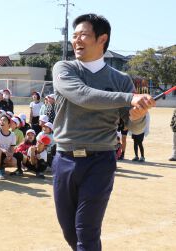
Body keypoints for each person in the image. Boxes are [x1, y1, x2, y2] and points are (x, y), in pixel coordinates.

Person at [51, 13, 155, 250]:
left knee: (86, 232)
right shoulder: (64, 68)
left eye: (84, 35)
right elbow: (83, 95)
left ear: (102, 39)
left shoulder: (120, 79)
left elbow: (133, 125)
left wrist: (138, 116)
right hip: (64, 159)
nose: (76, 41)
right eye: (75, 36)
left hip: (100, 161)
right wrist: (131, 98)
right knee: (70, 232)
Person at [0, 114, 17, 180]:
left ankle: (1, 167)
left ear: (9, 124)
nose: (1, 122)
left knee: (14, 161)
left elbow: (12, 148)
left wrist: (10, 155)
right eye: (1, 120)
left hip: (5, 155)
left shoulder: (13, 134)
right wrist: (4, 150)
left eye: (4, 120)